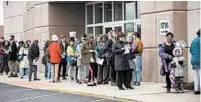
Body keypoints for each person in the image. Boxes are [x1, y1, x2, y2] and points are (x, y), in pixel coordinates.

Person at [190, 29, 200, 95]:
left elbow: (190, 50)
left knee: (196, 75)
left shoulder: (193, 40)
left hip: (194, 59)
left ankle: (196, 90)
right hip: (199, 59)